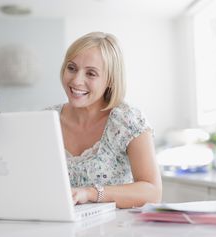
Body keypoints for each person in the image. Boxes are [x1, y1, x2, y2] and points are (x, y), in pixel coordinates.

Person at [46, 31, 162, 209]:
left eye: (91, 73)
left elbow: (152, 192)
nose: (76, 80)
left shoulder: (128, 120)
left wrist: (91, 193)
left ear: (110, 80)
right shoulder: (46, 120)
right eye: (72, 68)